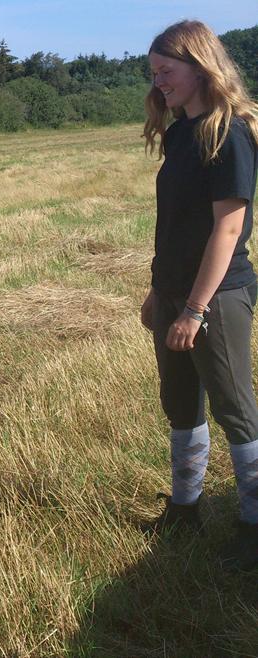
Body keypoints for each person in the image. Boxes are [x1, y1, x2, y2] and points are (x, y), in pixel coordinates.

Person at [140, 19, 258, 570]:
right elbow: (174, 224)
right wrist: (158, 291)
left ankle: (252, 524)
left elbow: (226, 231)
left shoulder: (229, 131)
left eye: (167, 69)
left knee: (235, 409)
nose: (159, 80)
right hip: (174, 293)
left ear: (200, 64)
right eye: (154, 72)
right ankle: (185, 510)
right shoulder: (181, 132)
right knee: (180, 405)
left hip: (216, 296)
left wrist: (193, 308)